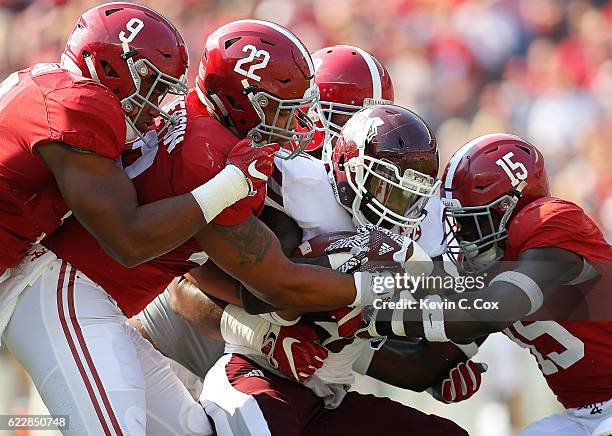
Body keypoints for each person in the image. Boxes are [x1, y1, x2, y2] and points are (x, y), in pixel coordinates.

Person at [0, 21, 411, 436]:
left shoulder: (209, 134)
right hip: (67, 293)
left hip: (97, 300)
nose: (295, 122)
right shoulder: (212, 157)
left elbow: (215, 270)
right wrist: (382, 284)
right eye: (279, 107)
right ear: (239, 100)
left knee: (192, 432)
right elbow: (277, 283)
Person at [135, 105, 470, 435]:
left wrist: (444, 361)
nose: (396, 206)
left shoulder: (419, 236)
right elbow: (202, 282)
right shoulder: (298, 191)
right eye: (386, 188)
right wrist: (265, 336)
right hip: (181, 355)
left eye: (406, 196)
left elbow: (371, 350)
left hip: (324, 395)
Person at [0, 2, 275, 284]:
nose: (156, 108)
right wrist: (233, 181)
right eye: (152, 90)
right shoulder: (80, 104)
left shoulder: (48, 79)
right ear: (109, 67)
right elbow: (129, 241)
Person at [358, 133, 612, 435]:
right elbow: (421, 367)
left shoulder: (550, 220)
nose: (462, 234)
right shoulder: (487, 265)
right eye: (457, 220)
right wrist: (340, 346)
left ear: (506, 206)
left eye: (470, 220)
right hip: (583, 414)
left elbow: (496, 309)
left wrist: (375, 317)